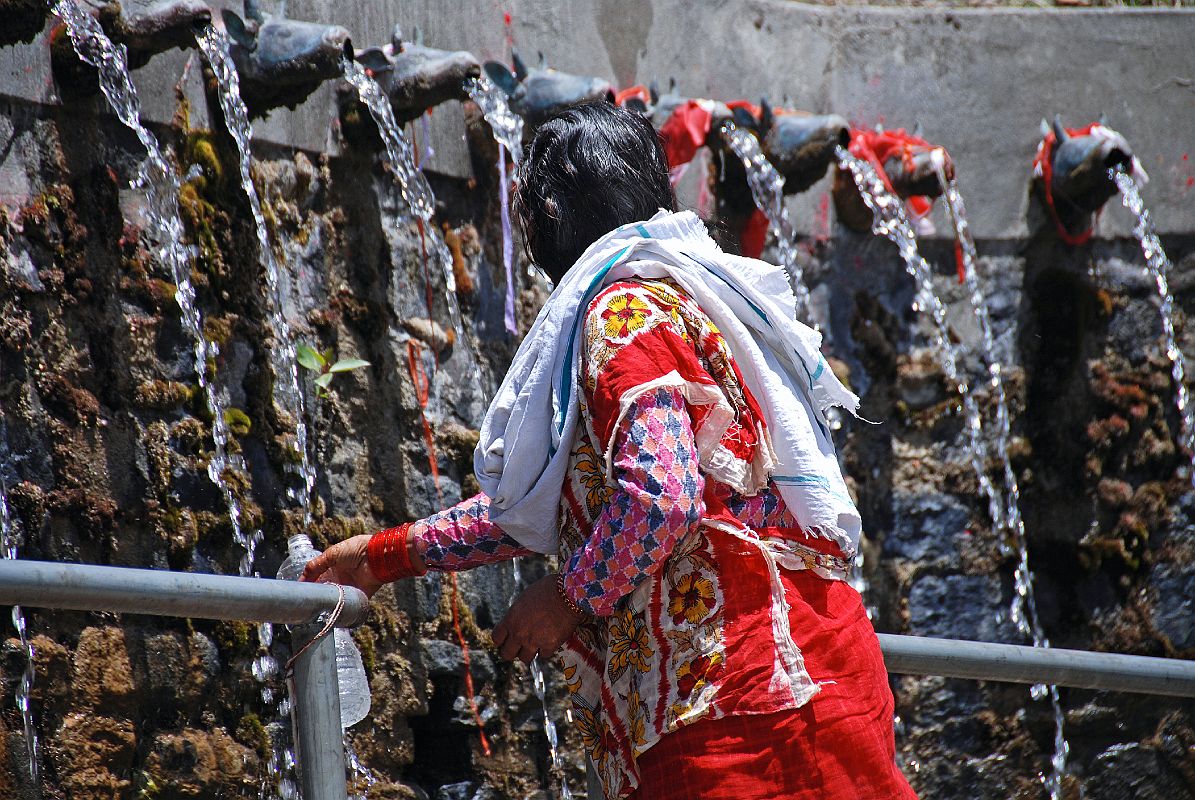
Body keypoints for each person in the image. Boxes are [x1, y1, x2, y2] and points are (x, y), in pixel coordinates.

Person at [302, 101, 917, 800]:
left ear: (554, 214)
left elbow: (660, 498)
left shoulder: (620, 312)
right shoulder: (691, 298)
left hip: (734, 698)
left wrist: (568, 596)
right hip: (812, 662)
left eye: (527, 211)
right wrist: (384, 555)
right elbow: (540, 500)